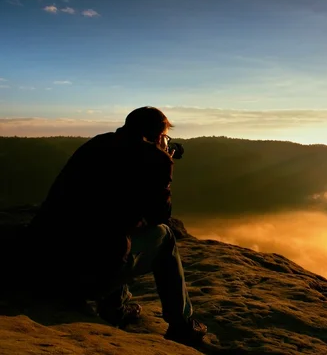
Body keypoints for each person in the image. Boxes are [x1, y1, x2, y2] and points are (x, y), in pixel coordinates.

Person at [27, 106, 207, 347]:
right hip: (90, 275)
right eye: (165, 136)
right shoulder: (155, 158)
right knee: (164, 237)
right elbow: (160, 215)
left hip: (48, 262)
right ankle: (182, 324)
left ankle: (116, 307)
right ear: (158, 135)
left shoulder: (97, 144)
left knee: (111, 227)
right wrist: (164, 161)